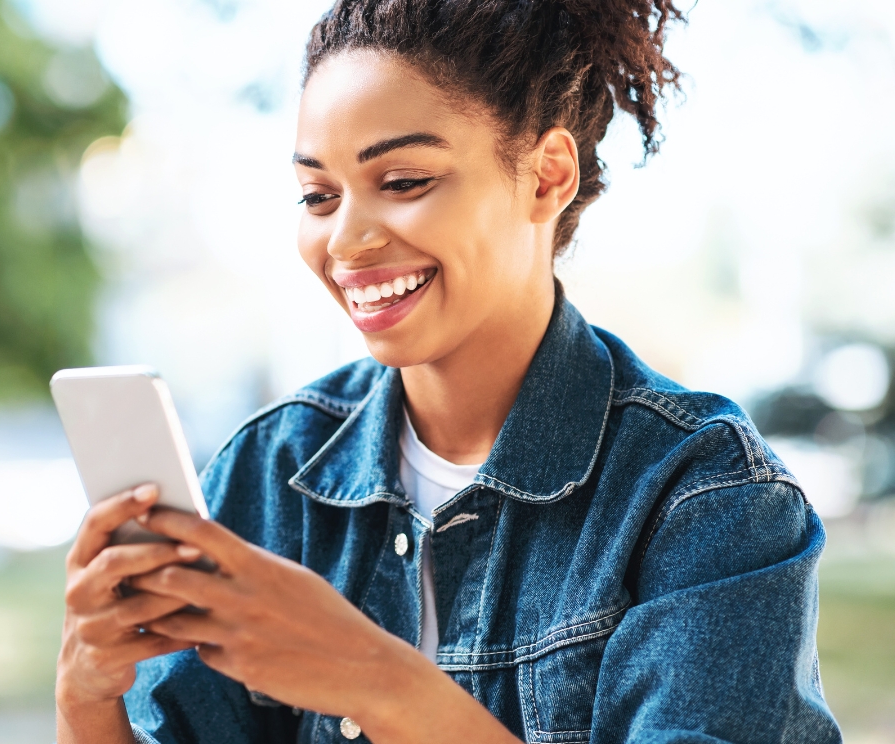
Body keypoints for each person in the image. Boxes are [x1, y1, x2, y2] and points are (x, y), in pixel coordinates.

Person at [55, 0, 842, 741]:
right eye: (318, 196)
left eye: (403, 183)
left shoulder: (704, 496)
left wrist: (377, 681)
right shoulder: (270, 475)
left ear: (547, 176)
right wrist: (86, 697)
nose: (346, 242)